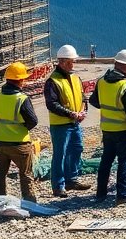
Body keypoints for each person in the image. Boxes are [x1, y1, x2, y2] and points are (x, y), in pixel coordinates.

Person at [88, 50, 126, 204]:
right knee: (124, 161)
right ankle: (123, 194)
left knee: (106, 161)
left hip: (107, 129)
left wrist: (107, 108)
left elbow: (93, 101)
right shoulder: (125, 85)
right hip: (124, 130)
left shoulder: (102, 81)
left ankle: (100, 194)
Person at [0, 62, 39, 202]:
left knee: (0, 173)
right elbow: (33, 121)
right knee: (26, 174)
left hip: (0, 142)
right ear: (21, 80)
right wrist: (20, 128)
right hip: (19, 143)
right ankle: (29, 203)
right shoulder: (22, 99)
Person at [44, 45, 90, 197]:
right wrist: (71, 114)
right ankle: (58, 185)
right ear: (62, 62)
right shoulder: (52, 81)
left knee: (77, 149)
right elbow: (52, 104)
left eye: (73, 61)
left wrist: (84, 111)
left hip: (74, 123)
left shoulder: (75, 78)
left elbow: (83, 97)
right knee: (60, 154)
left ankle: (72, 179)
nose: (73, 65)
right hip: (60, 125)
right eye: (70, 62)